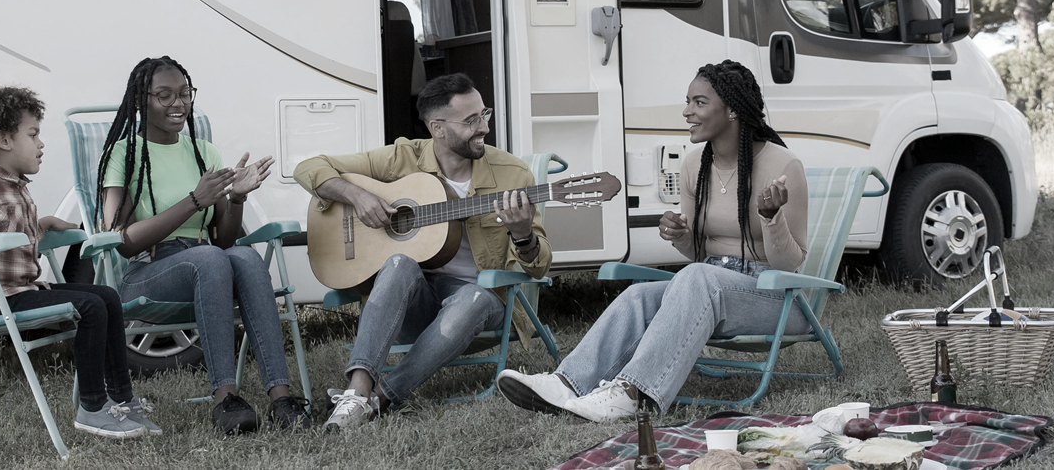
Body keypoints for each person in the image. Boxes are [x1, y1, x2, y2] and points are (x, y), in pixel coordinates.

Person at [496, 60, 810, 422]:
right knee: (639, 296)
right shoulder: (695, 165)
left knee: (697, 278)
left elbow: (790, 264)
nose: (687, 111)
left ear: (733, 110)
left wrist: (771, 217)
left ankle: (631, 393)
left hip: (776, 297)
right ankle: (566, 383)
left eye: (699, 102)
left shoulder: (782, 166)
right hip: (712, 285)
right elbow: (699, 257)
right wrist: (681, 236)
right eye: (688, 102)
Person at [293, 73, 553, 432]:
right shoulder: (403, 158)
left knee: (475, 298)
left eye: (484, 114)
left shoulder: (512, 174)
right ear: (438, 128)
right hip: (413, 302)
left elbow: (539, 267)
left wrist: (523, 236)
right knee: (399, 261)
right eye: (471, 120)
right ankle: (357, 391)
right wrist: (357, 196)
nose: (484, 128)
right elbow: (307, 168)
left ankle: (381, 398)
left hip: (478, 302)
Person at [0, 84, 158, 439]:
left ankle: (122, 400)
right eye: (33, 134)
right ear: (4, 140)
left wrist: (40, 226)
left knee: (106, 296)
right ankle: (93, 407)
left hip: (20, 292)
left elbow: (4, 233)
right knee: (91, 306)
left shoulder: (17, 187)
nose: (41, 144)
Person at [97, 56, 312, 433]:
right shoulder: (124, 153)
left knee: (244, 256)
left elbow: (224, 238)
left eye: (185, 93)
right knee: (211, 258)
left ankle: (281, 399)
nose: (178, 103)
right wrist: (193, 201)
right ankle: (225, 400)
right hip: (148, 272)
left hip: (206, 262)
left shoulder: (204, 152)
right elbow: (123, 241)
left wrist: (237, 197)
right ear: (141, 101)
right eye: (164, 95)